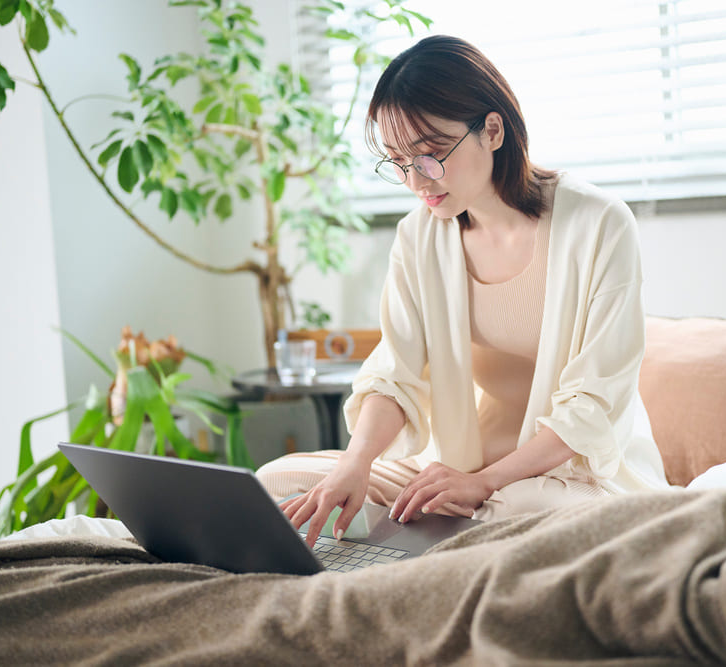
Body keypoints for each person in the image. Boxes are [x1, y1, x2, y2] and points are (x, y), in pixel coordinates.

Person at [255, 35, 669, 547]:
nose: (415, 181)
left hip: (566, 475)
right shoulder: (419, 236)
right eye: (398, 162)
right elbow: (394, 373)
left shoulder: (599, 224)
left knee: (530, 513)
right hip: (456, 466)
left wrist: (484, 484)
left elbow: (595, 404)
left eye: (429, 156)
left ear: (491, 130)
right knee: (276, 481)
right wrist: (354, 463)